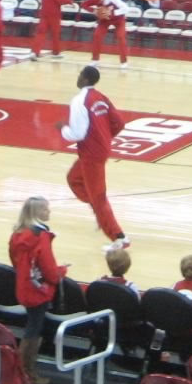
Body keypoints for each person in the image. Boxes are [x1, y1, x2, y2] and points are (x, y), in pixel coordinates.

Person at [60, 64, 129, 252]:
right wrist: (105, 137)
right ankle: (98, 211)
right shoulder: (101, 97)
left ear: (86, 79)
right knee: (73, 179)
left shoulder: (79, 101)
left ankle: (119, 238)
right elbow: (119, 123)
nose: (78, 77)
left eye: (80, 74)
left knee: (99, 197)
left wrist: (62, 130)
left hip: (91, 154)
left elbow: (78, 133)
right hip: (99, 150)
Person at [9, 196, 67, 384]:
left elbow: (15, 260)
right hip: (38, 290)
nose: (49, 212)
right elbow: (50, 271)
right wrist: (61, 271)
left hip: (24, 286)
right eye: (45, 209)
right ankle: (26, 372)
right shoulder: (40, 236)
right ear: (36, 213)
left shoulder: (18, 234)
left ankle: (21, 370)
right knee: (33, 331)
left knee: (32, 327)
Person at [88, 0, 130, 67]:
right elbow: (84, 4)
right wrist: (93, 10)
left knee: (121, 37)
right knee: (97, 35)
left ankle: (124, 62)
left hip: (118, 20)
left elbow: (126, 8)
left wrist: (112, 12)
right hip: (105, 20)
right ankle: (95, 60)